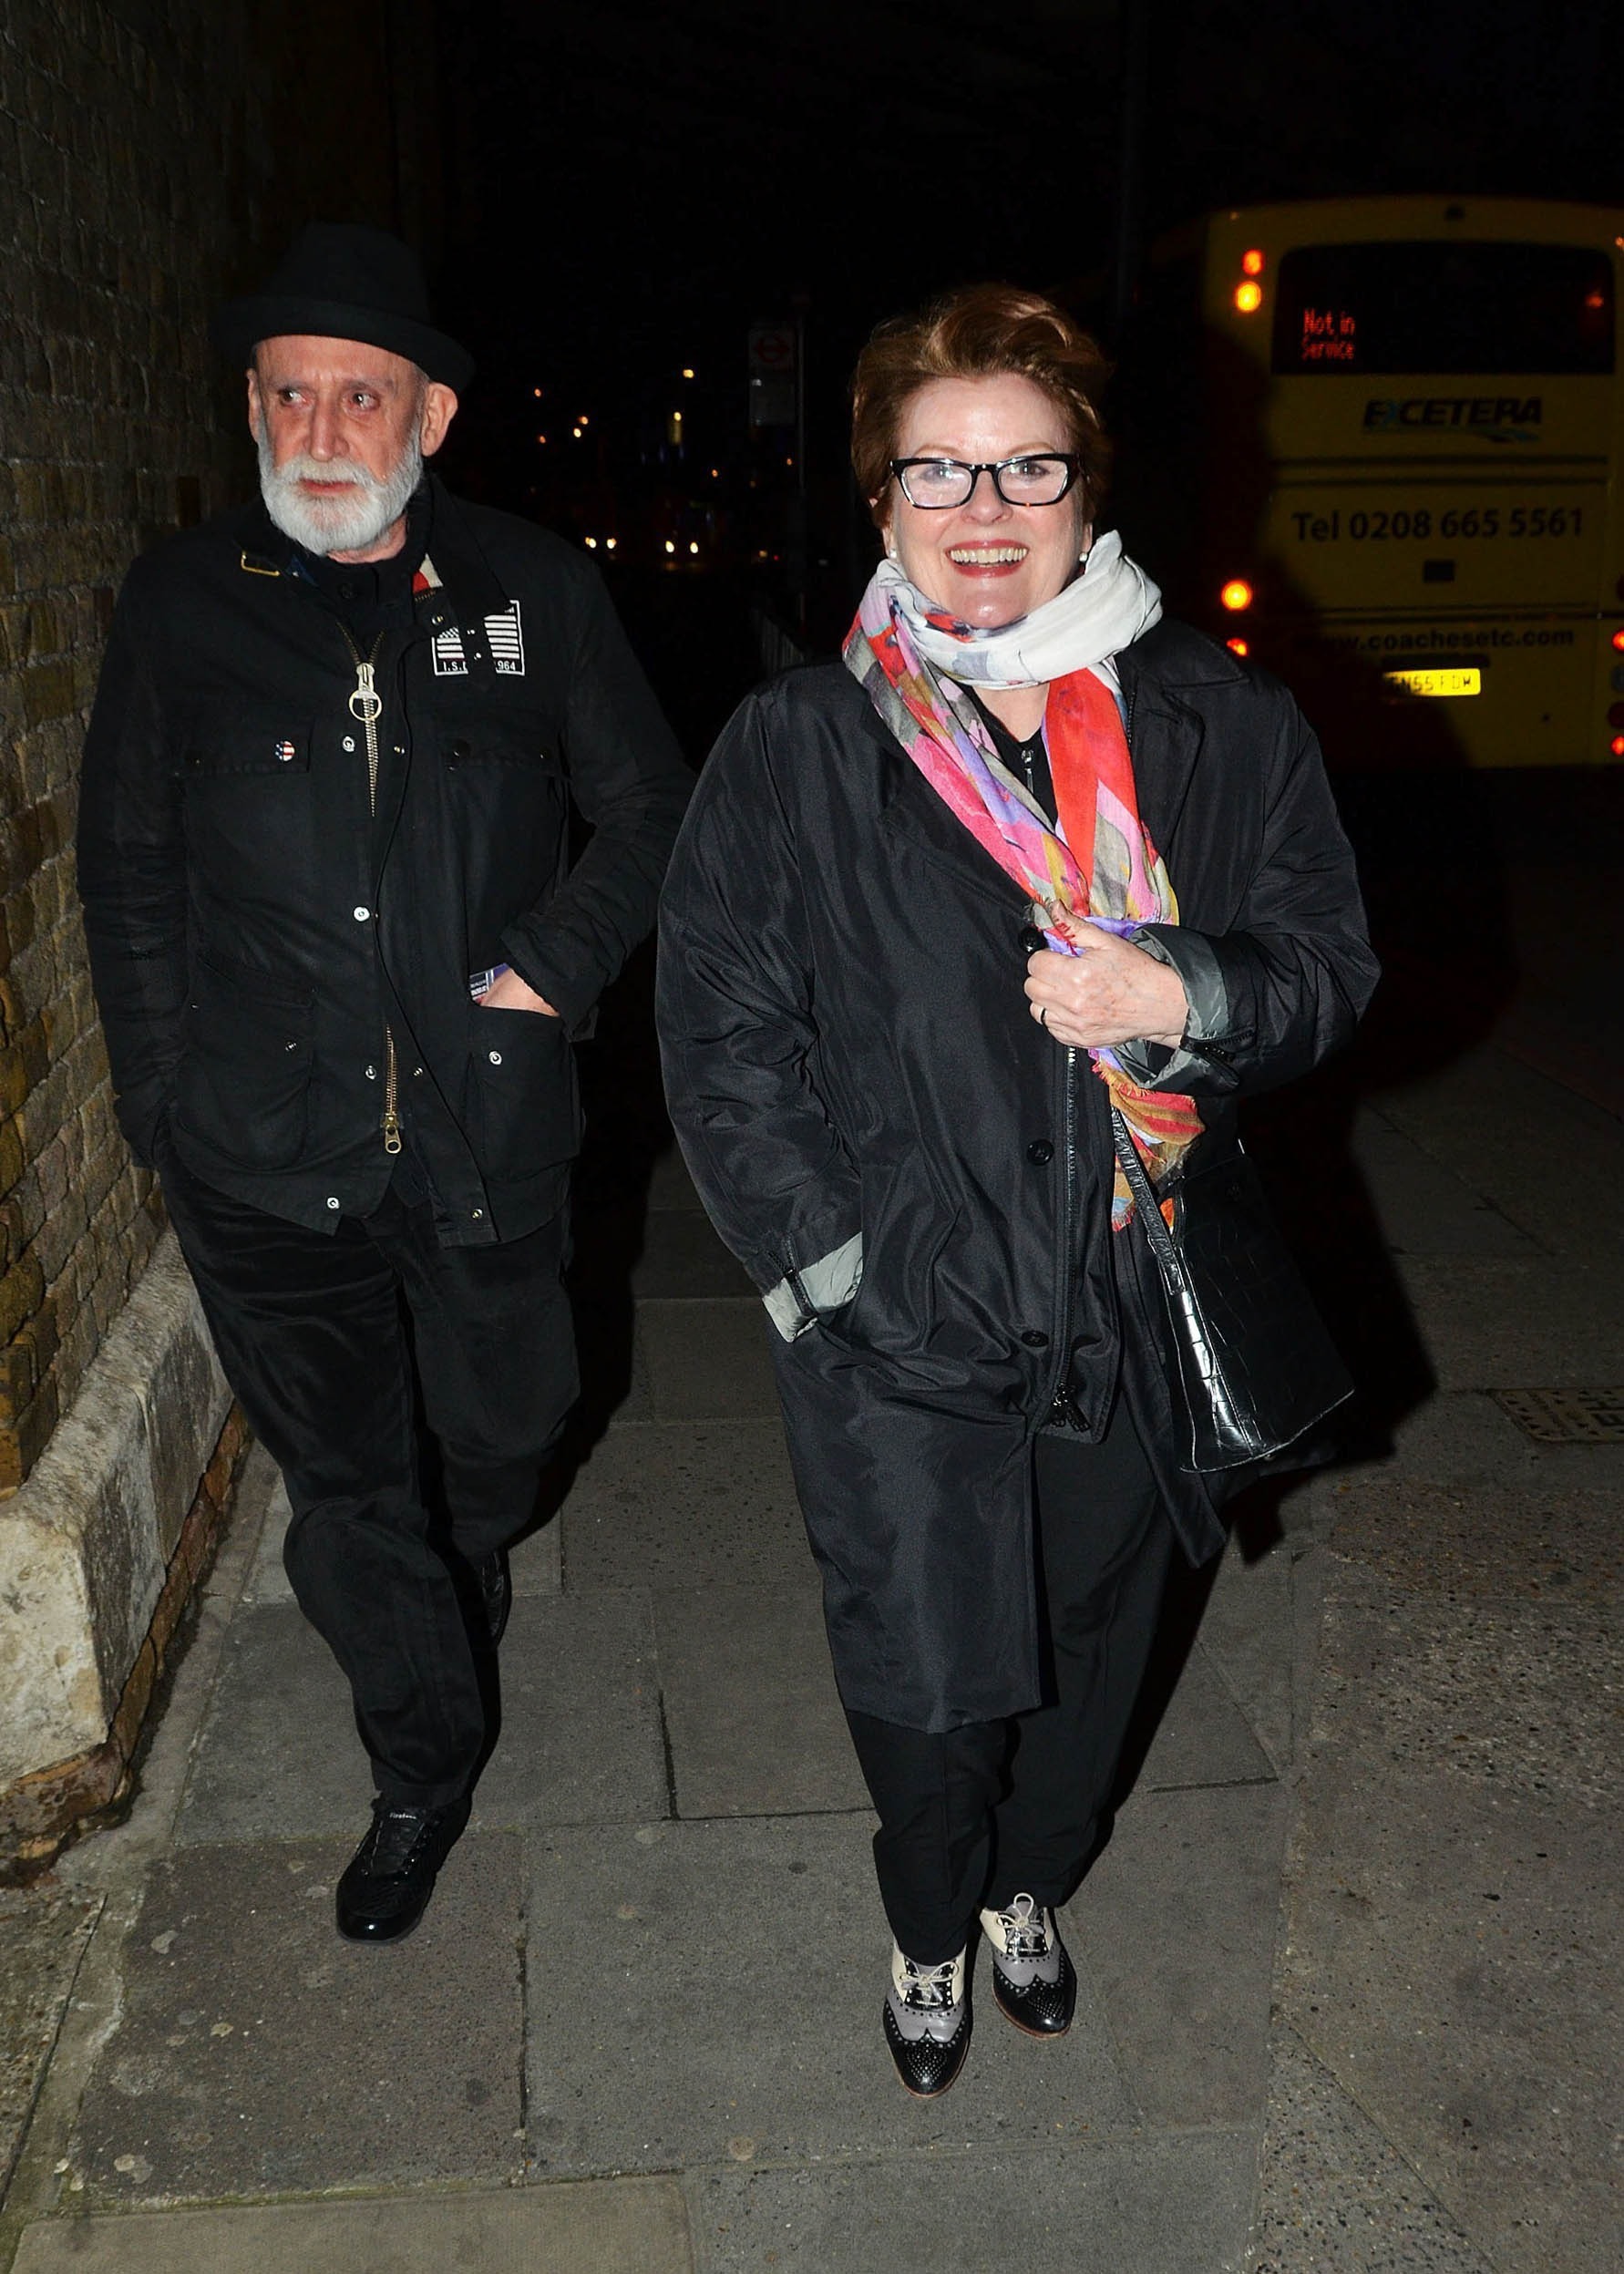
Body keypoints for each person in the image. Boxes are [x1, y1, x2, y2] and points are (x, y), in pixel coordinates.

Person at [656, 284, 1377, 2098]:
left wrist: (1189, 992)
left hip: (1138, 1290)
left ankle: (1033, 1892)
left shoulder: (1214, 721)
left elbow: (1328, 967)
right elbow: (726, 1038)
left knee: (1096, 1659)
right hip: (909, 1321)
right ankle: (927, 1922)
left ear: (1087, 483)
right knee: (926, 1685)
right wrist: (833, 1280)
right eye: (939, 473)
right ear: (881, 498)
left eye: (1026, 467)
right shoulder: (804, 748)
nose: (984, 512)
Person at [77, 224, 691, 1946]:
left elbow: (651, 809)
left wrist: (557, 961)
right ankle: (420, 1765)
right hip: (263, 1150)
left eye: (361, 395)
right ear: (252, 411)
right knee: (349, 1496)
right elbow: (124, 866)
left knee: (508, 1432)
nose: (322, 430)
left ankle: (462, 1553)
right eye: (290, 395)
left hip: (488, 1131)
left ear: (429, 415)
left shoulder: (531, 586)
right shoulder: (183, 602)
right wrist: (158, 1101)